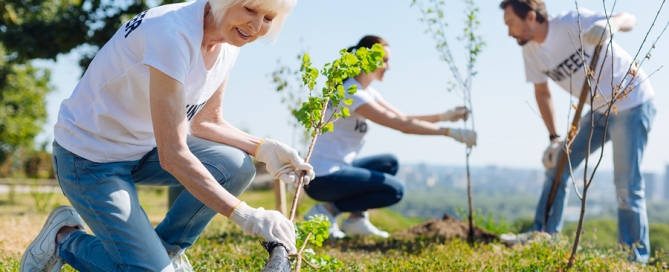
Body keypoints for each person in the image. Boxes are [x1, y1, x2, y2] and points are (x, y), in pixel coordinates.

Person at [20, 0, 315, 271]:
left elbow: (205, 122)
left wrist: (263, 149)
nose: (256, 26)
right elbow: (173, 155)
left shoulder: (227, 42)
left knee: (235, 167)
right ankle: (63, 239)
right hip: (88, 159)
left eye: (267, 18)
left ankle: (165, 252)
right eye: (250, 9)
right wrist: (246, 216)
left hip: (141, 150)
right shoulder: (171, 34)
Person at [498, 0, 656, 262]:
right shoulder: (530, 51)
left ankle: (634, 258)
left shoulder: (572, 22)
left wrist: (612, 24)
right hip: (598, 109)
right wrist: (554, 137)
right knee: (559, 162)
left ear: (531, 17)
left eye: (511, 23)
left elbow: (630, 18)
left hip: (632, 102)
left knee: (627, 184)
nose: (509, 32)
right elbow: (541, 92)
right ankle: (543, 233)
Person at [303, 35, 478, 239]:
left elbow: (401, 117)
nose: (388, 67)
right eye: (384, 61)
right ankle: (327, 210)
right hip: (321, 179)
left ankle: (355, 220)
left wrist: (445, 116)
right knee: (395, 190)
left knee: (389, 162)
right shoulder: (353, 94)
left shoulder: (365, 91)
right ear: (367, 59)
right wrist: (451, 133)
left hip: (338, 168)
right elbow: (402, 125)